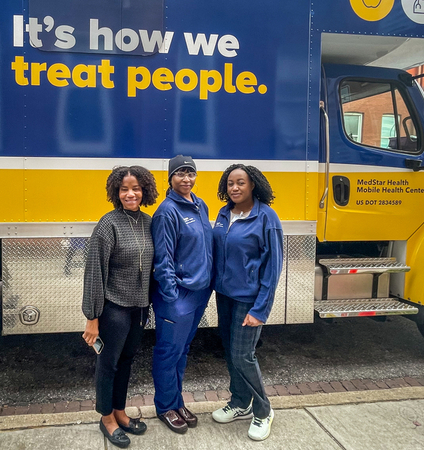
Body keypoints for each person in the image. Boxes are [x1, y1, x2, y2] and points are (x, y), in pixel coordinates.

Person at [82, 165, 159, 448]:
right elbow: (94, 273)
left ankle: (120, 412)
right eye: (124, 189)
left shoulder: (149, 222)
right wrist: (92, 317)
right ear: (117, 191)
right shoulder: (108, 224)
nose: (130, 194)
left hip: (139, 308)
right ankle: (106, 418)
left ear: (144, 191)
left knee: (126, 362)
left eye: (136, 188)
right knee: (108, 363)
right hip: (114, 308)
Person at [210, 164, 283, 441]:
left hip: (249, 299)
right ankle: (240, 403)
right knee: (230, 352)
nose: (235, 188)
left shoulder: (266, 217)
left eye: (241, 182)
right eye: (230, 183)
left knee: (243, 355)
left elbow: (273, 268)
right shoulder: (224, 213)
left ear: (253, 185)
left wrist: (260, 310)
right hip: (225, 295)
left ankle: (263, 410)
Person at [150, 155, 213, 434]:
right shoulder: (167, 211)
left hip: (199, 294)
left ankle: (177, 401)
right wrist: (172, 296)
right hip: (176, 296)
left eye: (190, 173)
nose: (186, 178)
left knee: (183, 350)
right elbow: (163, 260)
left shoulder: (200, 205)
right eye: (180, 174)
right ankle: (165, 406)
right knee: (168, 352)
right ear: (170, 178)